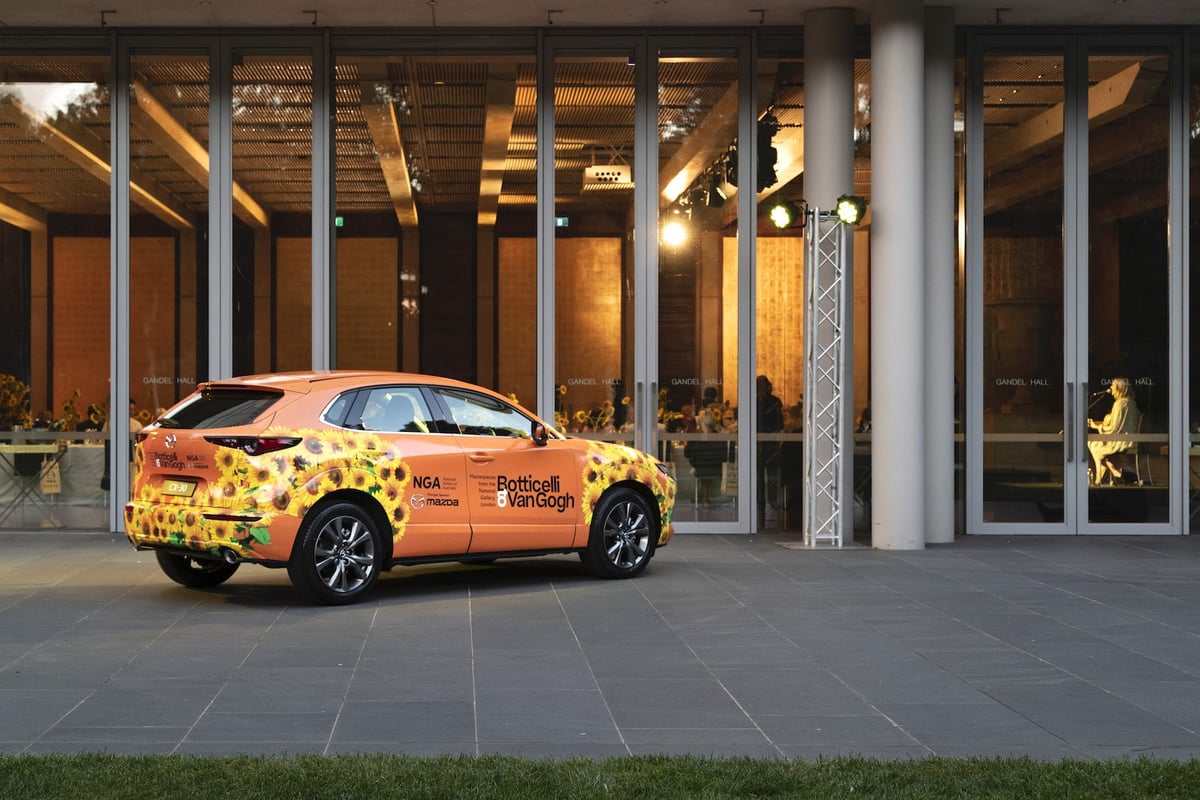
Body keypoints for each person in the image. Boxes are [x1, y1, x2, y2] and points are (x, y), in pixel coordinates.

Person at [1087, 377, 1141, 485]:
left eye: (1113, 386)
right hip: (1130, 440)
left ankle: (1103, 476)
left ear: (1119, 388)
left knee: (1092, 444)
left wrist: (1095, 426)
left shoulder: (1120, 404)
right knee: (1102, 452)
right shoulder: (1132, 403)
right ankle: (1112, 474)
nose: (1111, 389)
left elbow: (1113, 429)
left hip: (1121, 441)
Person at [684, 407, 728, 505]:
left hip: (700, 468)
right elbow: (724, 455)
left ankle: (704, 497)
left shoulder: (696, 437)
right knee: (706, 467)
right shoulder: (720, 437)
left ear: (700, 422)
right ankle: (705, 497)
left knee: (703, 468)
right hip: (717, 468)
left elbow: (687, 454)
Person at [756, 374, 783, 524]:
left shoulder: (752, 402)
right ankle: (771, 504)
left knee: (759, 476)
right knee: (771, 476)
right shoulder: (775, 402)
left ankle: (759, 504)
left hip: (758, 444)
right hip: (771, 442)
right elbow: (780, 424)